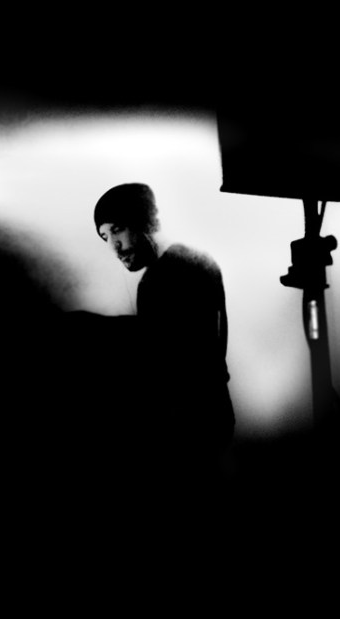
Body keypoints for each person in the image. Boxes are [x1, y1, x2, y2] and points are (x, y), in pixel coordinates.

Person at [93, 182, 235, 478]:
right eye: (105, 237)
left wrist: (89, 327)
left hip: (190, 426)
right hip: (204, 419)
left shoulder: (176, 270)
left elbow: (171, 348)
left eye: (117, 230)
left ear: (143, 220)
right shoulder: (190, 263)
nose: (113, 247)